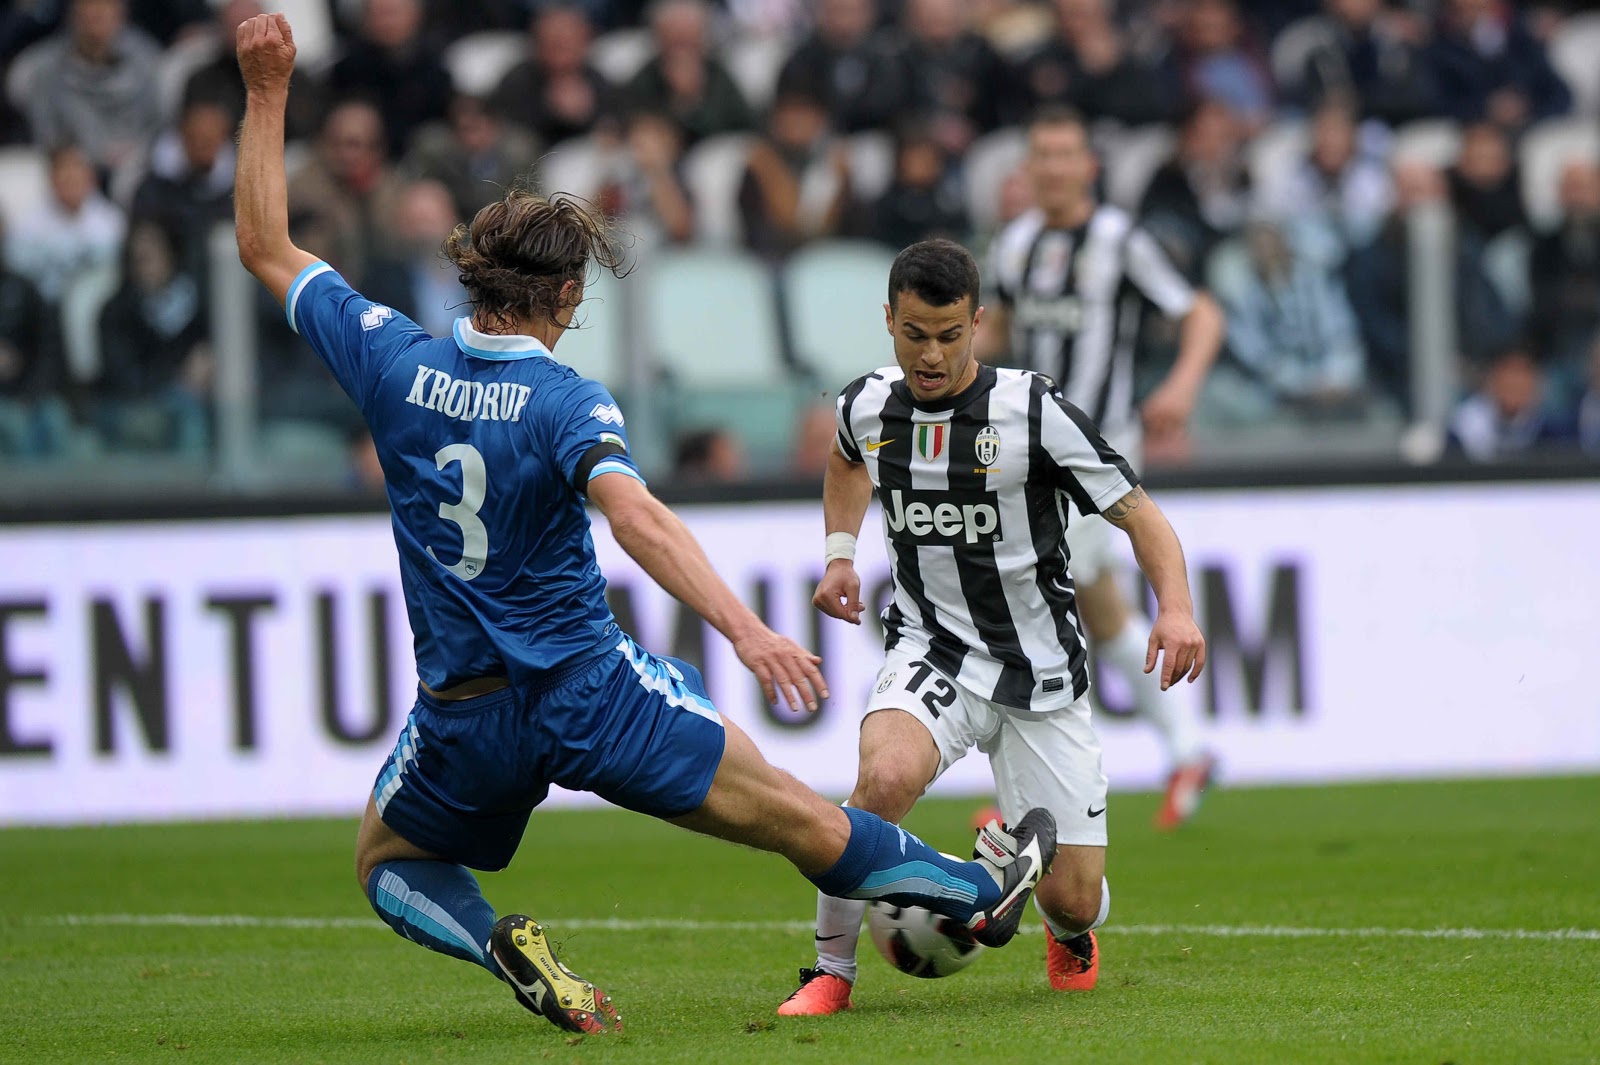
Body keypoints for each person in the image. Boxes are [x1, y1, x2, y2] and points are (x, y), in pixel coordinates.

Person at [233, 13, 1056, 1037]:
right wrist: (746, 632)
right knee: (795, 817)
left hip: (464, 710)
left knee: (387, 861)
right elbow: (638, 520)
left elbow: (263, 244)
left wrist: (267, 90)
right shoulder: (567, 403)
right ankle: (977, 892)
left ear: (474, 274)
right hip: (590, 695)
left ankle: (496, 943)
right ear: (567, 293)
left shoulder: (390, 360)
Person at [776, 238, 1207, 1016]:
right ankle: (829, 970)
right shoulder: (867, 403)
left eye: (949, 335)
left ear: (978, 323)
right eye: (915, 334)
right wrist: (840, 553)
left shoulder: (1033, 411)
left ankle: (1054, 909)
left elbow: (1139, 512)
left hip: (1039, 670)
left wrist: (1174, 607)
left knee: (1075, 899)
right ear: (889, 319)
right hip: (931, 648)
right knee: (883, 781)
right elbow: (846, 459)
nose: (931, 355)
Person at [979, 107, 1224, 829]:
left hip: (1098, 451)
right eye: (1043, 154)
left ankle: (1036, 792)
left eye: (1067, 154)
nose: (1054, 167)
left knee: (1032, 590)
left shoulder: (1121, 240)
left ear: (1089, 166)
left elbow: (1201, 313)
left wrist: (1181, 387)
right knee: (1094, 602)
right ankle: (1188, 748)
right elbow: (997, 330)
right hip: (1029, 449)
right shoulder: (1015, 244)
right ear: (1028, 168)